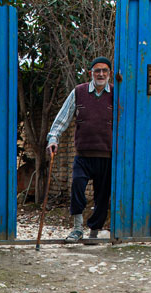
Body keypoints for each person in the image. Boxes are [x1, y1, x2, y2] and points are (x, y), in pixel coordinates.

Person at [46, 57, 114, 243]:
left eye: (104, 71)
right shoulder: (79, 92)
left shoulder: (116, 94)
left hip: (107, 155)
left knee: (102, 195)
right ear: (91, 72)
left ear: (109, 73)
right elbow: (63, 118)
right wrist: (53, 138)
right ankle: (77, 229)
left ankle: (94, 230)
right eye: (97, 70)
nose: (101, 74)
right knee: (77, 186)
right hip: (83, 154)